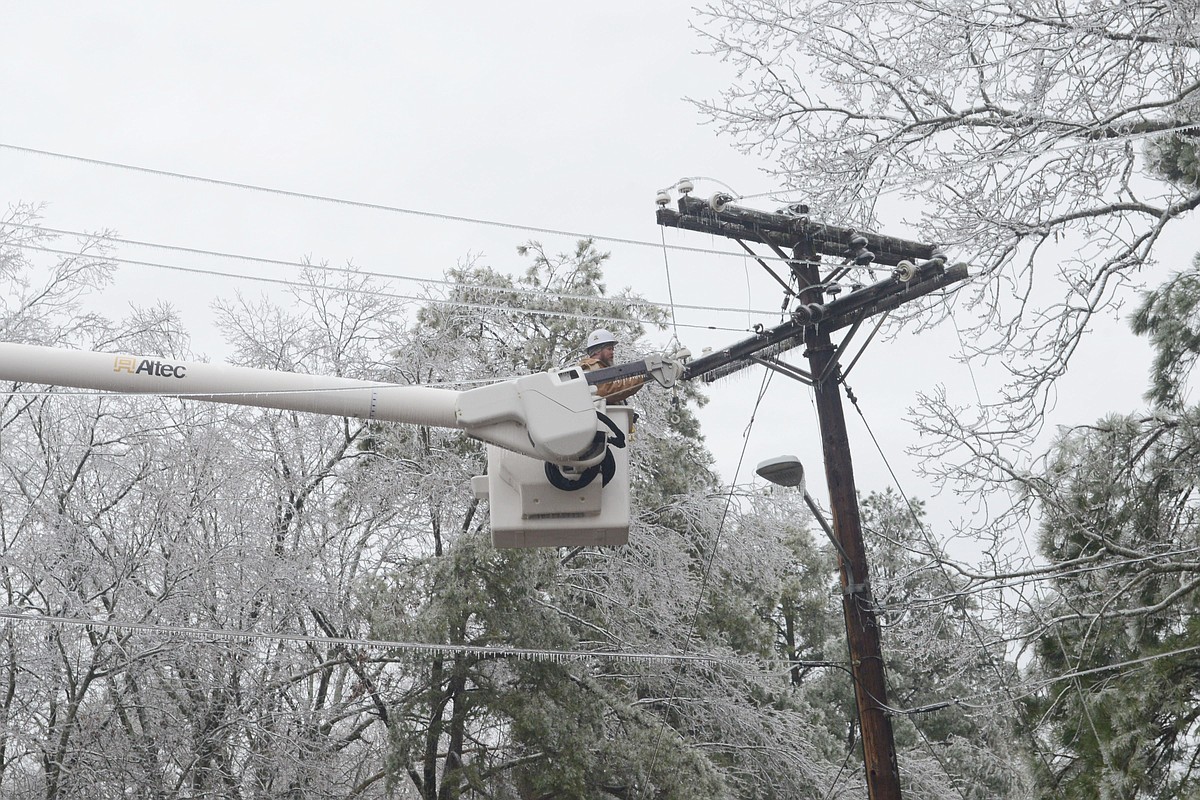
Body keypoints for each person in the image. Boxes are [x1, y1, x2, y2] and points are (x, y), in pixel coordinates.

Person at [579, 328, 644, 404]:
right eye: (609, 349)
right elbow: (608, 390)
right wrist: (641, 378)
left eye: (612, 349)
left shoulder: (600, 367)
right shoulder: (590, 367)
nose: (612, 352)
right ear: (597, 351)